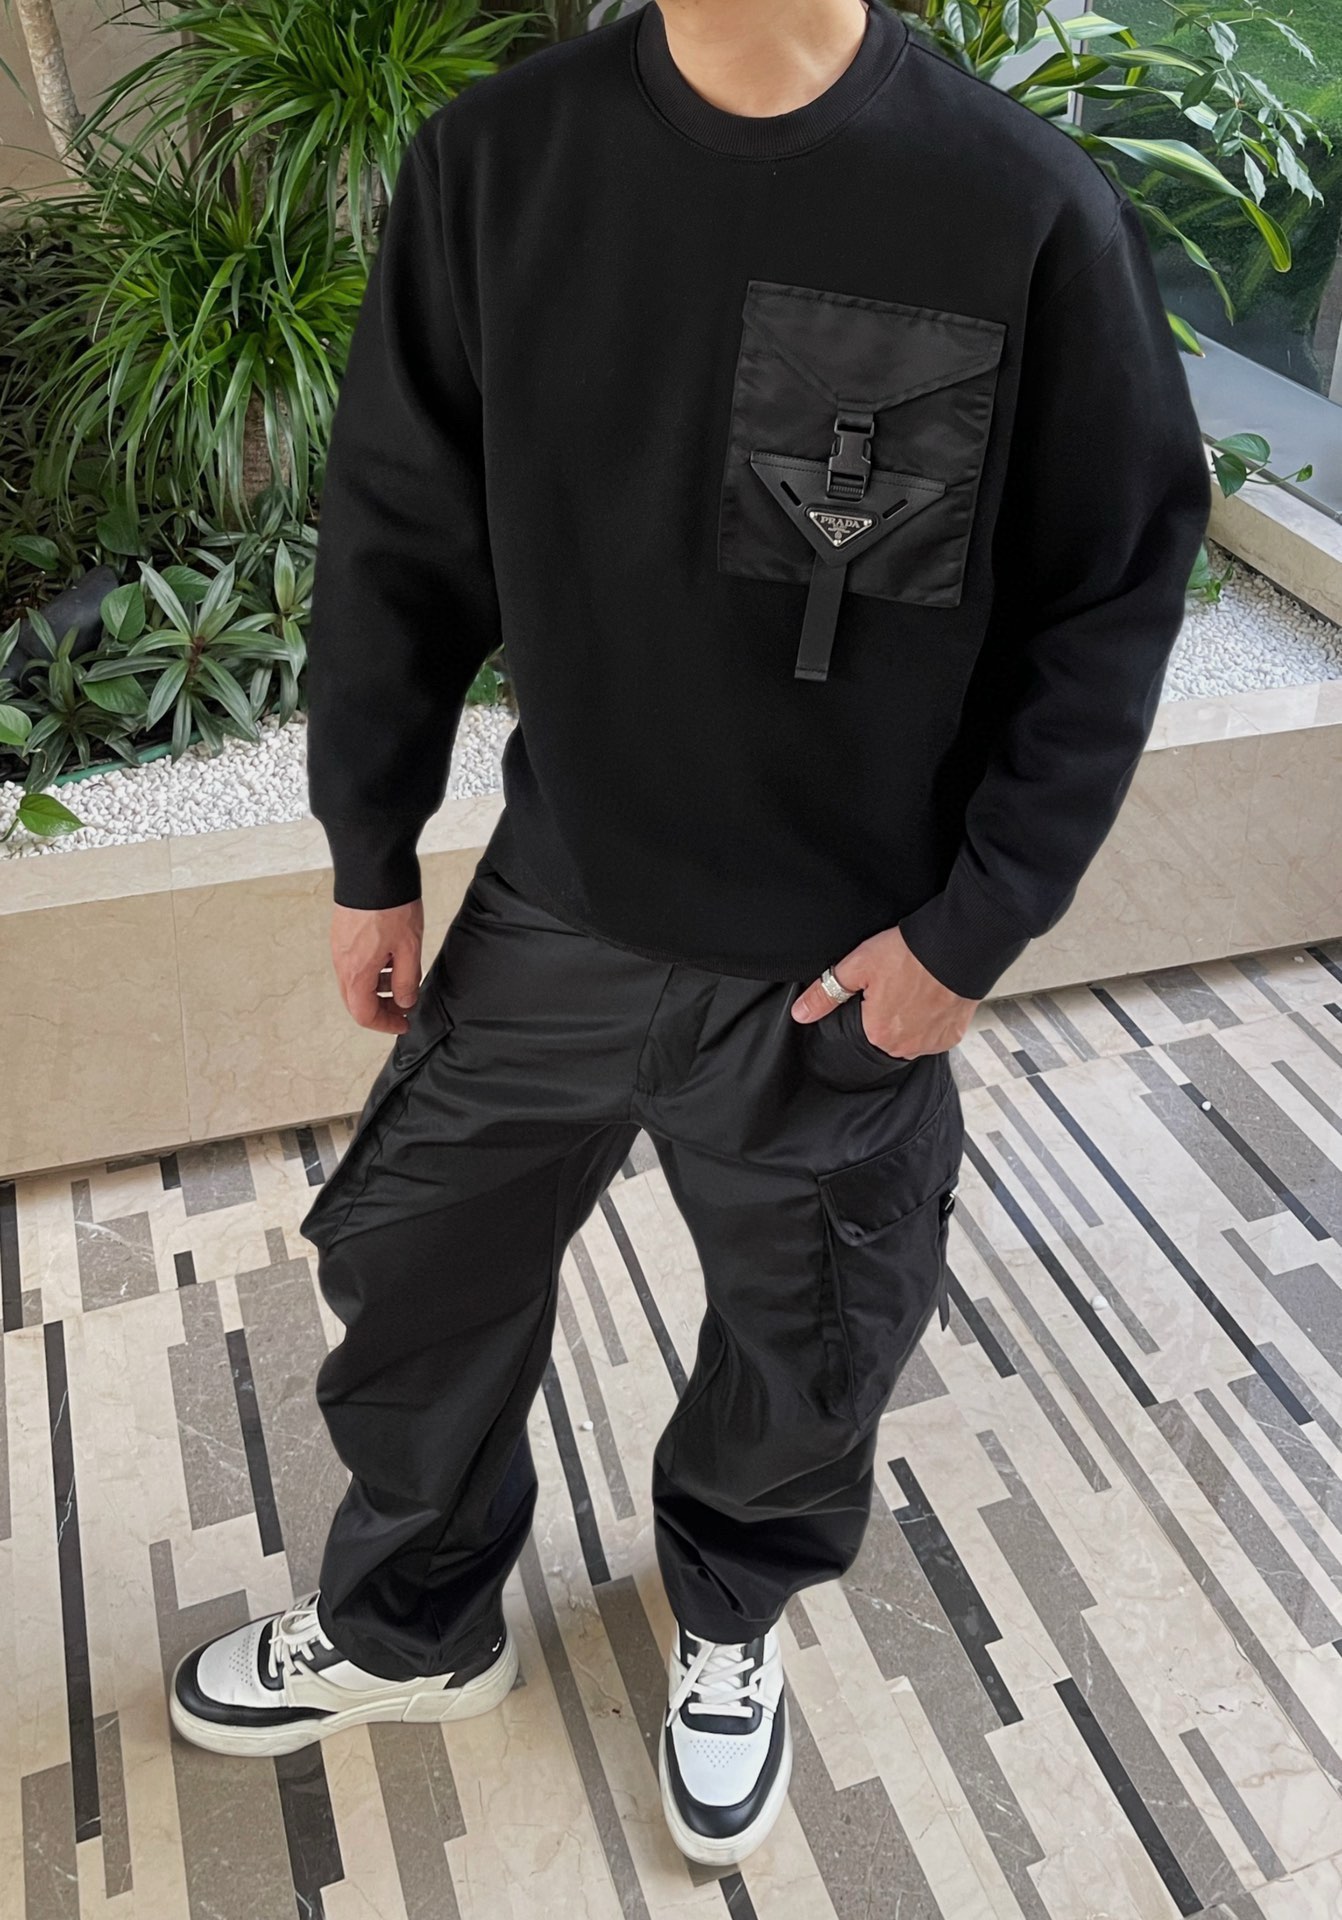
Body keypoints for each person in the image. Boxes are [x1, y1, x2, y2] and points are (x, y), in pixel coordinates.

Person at [166, 0, 1210, 1868]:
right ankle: (412, 1622)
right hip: (562, 899)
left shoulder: (1017, 205)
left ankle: (729, 1610)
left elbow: (1109, 594)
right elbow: (398, 524)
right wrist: (367, 843)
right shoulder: (500, 163)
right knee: (412, 1267)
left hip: (840, 959)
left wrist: (965, 940)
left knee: (814, 1330)